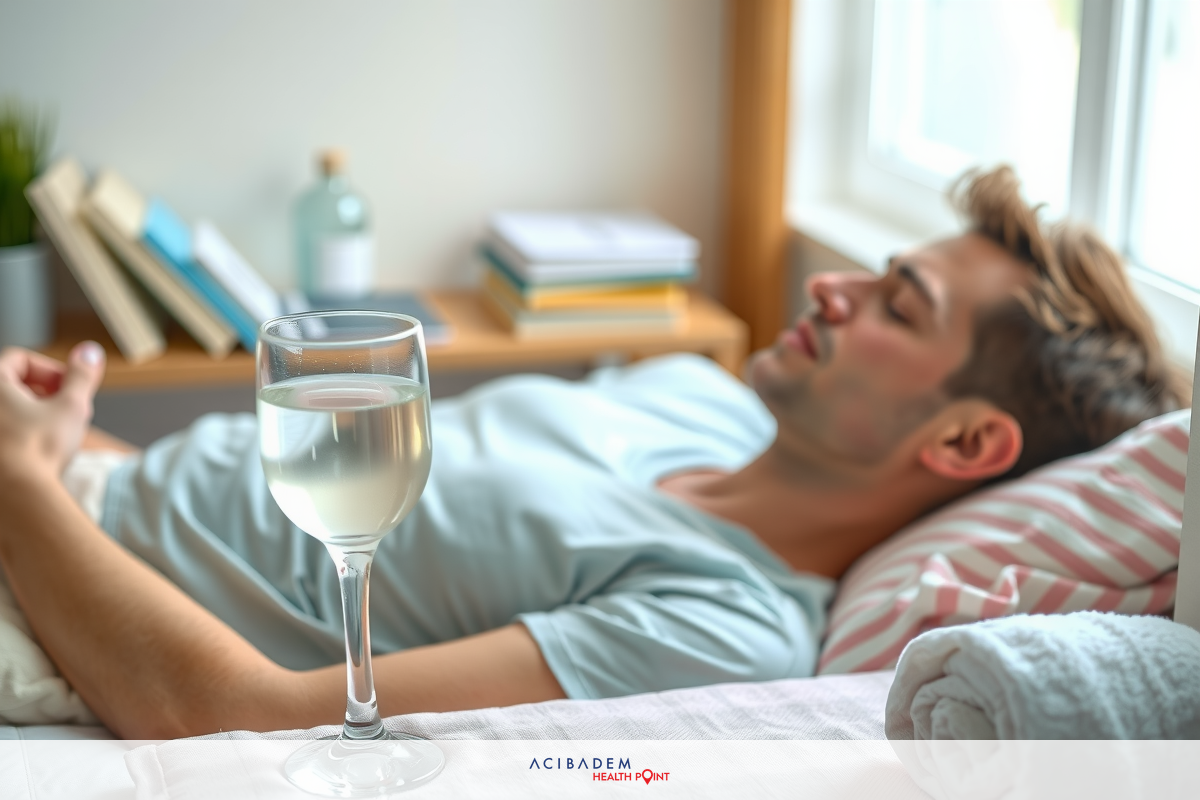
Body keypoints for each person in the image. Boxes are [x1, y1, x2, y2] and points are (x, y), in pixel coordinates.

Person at [0, 167, 1182, 739]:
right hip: (68, 496)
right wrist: (56, 435)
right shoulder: (698, 393)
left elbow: (248, 713)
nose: (833, 286)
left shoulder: (727, 620)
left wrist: (18, 478)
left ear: (966, 438)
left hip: (50, 603)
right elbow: (232, 490)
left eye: (897, 303)